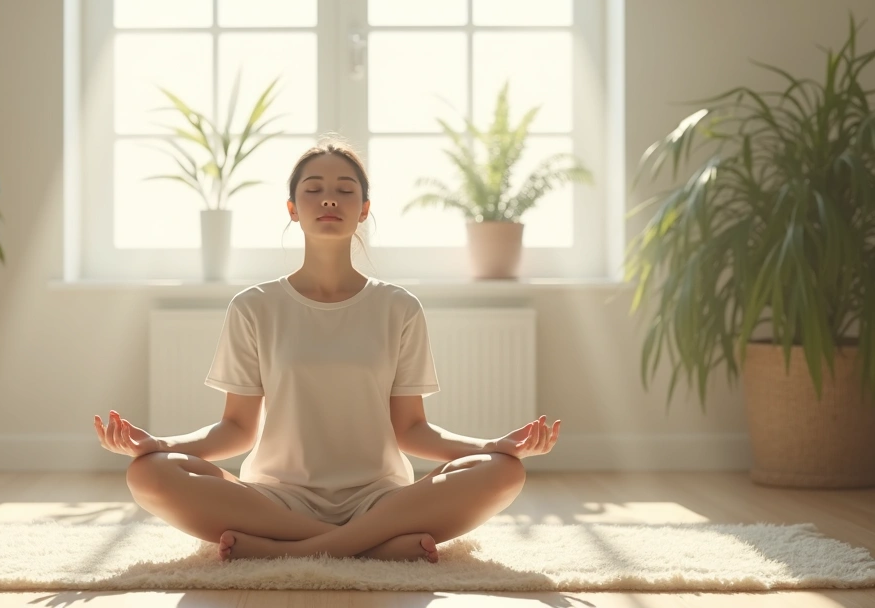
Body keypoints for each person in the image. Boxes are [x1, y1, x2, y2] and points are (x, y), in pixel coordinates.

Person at [93, 138, 561, 563]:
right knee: (149, 473)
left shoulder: (399, 307)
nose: (330, 198)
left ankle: (292, 550)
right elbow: (235, 430)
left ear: (365, 209)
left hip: (380, 498)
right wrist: (159, 445)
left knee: (503, 472)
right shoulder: (254, 307)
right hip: (275, 499)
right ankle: (370, 546)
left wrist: (491, 447)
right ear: (293, 208)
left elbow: (412, 430)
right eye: (314, 189)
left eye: (345, 190)